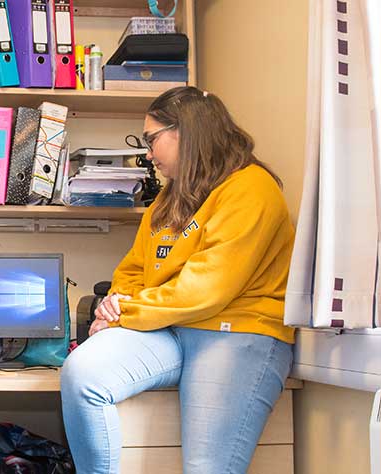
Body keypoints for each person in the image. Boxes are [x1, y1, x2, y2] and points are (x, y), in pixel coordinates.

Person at [60, 87, 295, 474]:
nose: (148, 154)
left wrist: (124, 313)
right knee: (82, 374)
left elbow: (206, 290)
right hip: (169, 328)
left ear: (186, 131)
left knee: (206, 468)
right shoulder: (169, 198)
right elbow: (134, 269)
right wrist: (112, 304)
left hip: (236, 330)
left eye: (151, 139)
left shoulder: (252, 189)